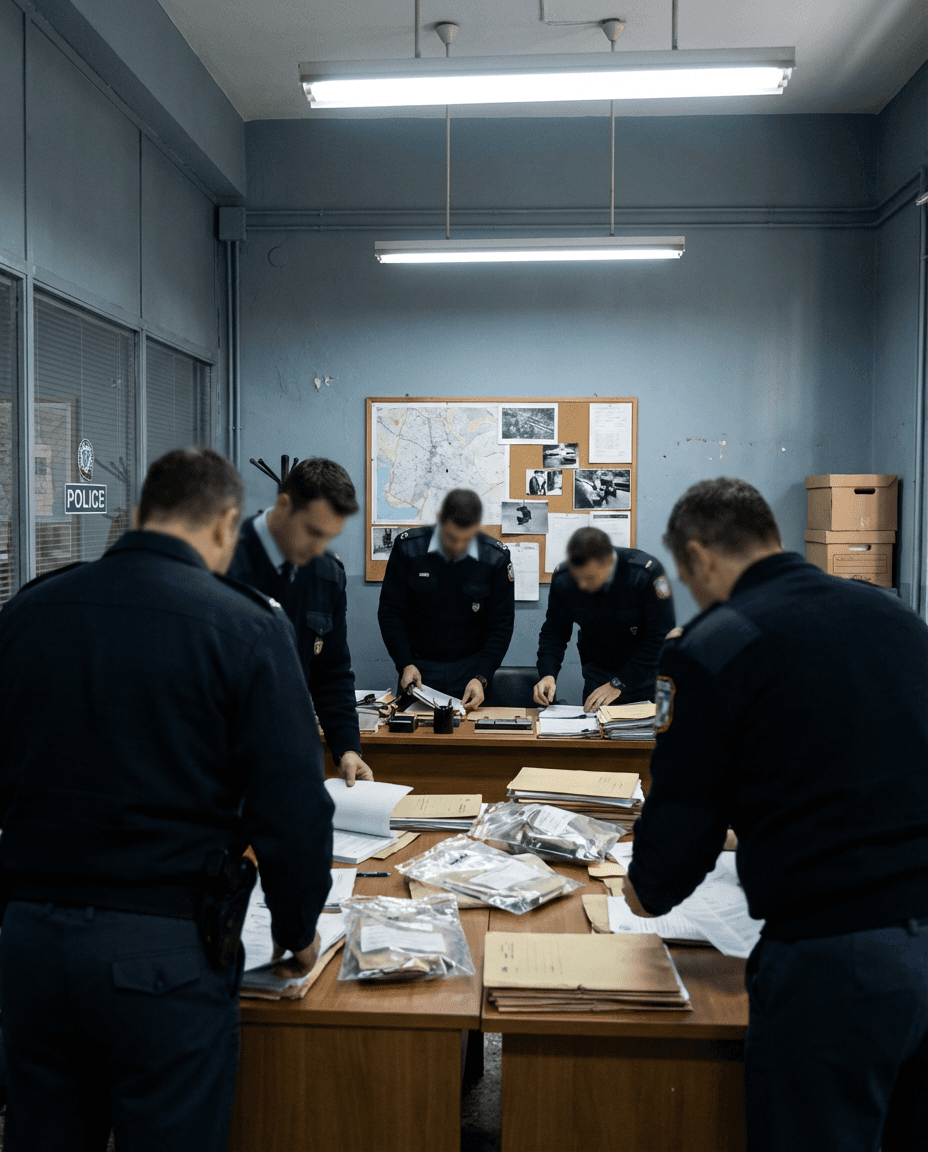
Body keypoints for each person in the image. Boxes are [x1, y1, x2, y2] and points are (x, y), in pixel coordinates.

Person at [0, 447, 335, 1152]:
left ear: (140, 513)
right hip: (164, 949)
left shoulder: (29, 610)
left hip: (32, 943)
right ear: (225, 524)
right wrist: (298, 926)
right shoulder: (246, 625)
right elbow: (292, 804)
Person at [622, 477, 928, 1152]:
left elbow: (683, 817)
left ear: (698, 557)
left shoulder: (713, 643)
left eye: (687, 577)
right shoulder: (893, 617)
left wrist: (643, 888)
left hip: (837, 956)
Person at [226, 458, 373, 786]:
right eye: (313, 532)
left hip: (291, 755)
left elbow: (331, 672)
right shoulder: (224, 560)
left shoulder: (326, 574)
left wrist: (347, 748)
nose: (318, 548)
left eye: (329, 537)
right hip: (224, 759)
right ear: (283, 506)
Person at [377, 488, 515, 711]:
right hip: (418, 669)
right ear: (440, 521)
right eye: (451, 538)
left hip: (471, 670)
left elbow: (501, 625)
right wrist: (404, 663)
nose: (458, 547)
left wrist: (482, 676)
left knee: (471, 732)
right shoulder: (409, 549)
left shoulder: (494, 558)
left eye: (466, 540)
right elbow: (390, 612)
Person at [533, 526, 676, 712]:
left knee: (649, 730)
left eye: (589, 578)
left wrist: (619, 683)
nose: (582, 585)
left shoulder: (644, 574)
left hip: (645, 675)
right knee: (594, 727)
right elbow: (554, 632)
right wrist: (548, 674)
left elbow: (660, 638)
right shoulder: (564, 578)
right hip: (599, 674)